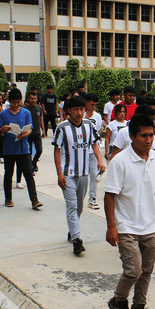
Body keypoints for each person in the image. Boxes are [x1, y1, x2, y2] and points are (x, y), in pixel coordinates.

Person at [105, 113, 155, 309]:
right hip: (126, 226)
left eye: (152, 135)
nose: (149, 140)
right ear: (131, 136)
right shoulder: (120, 161)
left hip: (150, 225)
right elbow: (110, 195)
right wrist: (111, 226)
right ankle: (119, 301)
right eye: (144, 136)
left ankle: (138, 308)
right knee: (134, 270)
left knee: (147, 270)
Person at [53, 96, 105, 255]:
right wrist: (59, 173)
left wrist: (100, 161)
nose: (79, 112)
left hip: (84, 174)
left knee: (80, 206)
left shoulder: (89, 126)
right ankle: (76, 239)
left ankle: (72, 229)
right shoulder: (62, 128)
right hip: (68, 174)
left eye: (81, 109)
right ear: (69, 110)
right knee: (72, 206)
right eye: (76, 109)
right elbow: (57, 150)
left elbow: (94, 144)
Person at [0, 88, 43, 209]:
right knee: (8, 174)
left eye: (18, 102)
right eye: (13, 102)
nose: (16, 105)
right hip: (9, 149)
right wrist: (3, 129)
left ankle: (34, 199)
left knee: (28, 174)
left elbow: (30, 128)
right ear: (9, 101)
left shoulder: (26, 113)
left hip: (23, 148)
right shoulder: (3, 114)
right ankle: (8, 198)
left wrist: (26, 134)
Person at [83, 93, 104, 209]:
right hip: (82, 150)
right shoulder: (81, 115)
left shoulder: (97, 116)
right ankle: (79, 198)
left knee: (94, 175)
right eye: (91, 104)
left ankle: (92, 199)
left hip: (93, 150)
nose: (93, 107)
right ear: (86, 102)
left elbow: (97, 132)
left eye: (95, 105)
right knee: (82, 177)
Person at [23, 92, 45, 173]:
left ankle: (34, 163)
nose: (33, 100)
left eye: (35, 98)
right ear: (28, 99)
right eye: (31, 98)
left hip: (37, 133)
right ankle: (30, 168)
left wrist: (43, 130)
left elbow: (40, 119)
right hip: (28, 134)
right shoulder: (24, 109)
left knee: (39, 150)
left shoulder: (38, 108)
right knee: (29, 152)